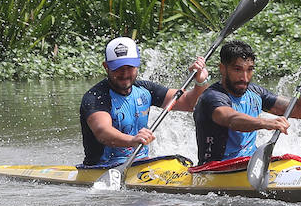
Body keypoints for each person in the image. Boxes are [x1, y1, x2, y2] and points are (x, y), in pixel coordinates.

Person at [79, 36, 208, 168]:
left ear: (137, 64)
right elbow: (103, 132)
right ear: (106, 67)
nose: (125, 74)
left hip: (141, 165)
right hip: (102, 168)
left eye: (129, 67)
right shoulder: (96, 97)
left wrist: (200, 82)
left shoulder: (145, 90)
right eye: (118, 68)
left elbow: (190, 104)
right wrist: (132, 140)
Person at [192, 40, 301, 164]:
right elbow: (231, 119)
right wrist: (266, 122)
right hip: (214, 170)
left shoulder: (255, 93)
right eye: (237, 69)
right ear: (222, 68)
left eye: (249, 69)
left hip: (250, 165)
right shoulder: (212, 97)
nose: (244, 77)